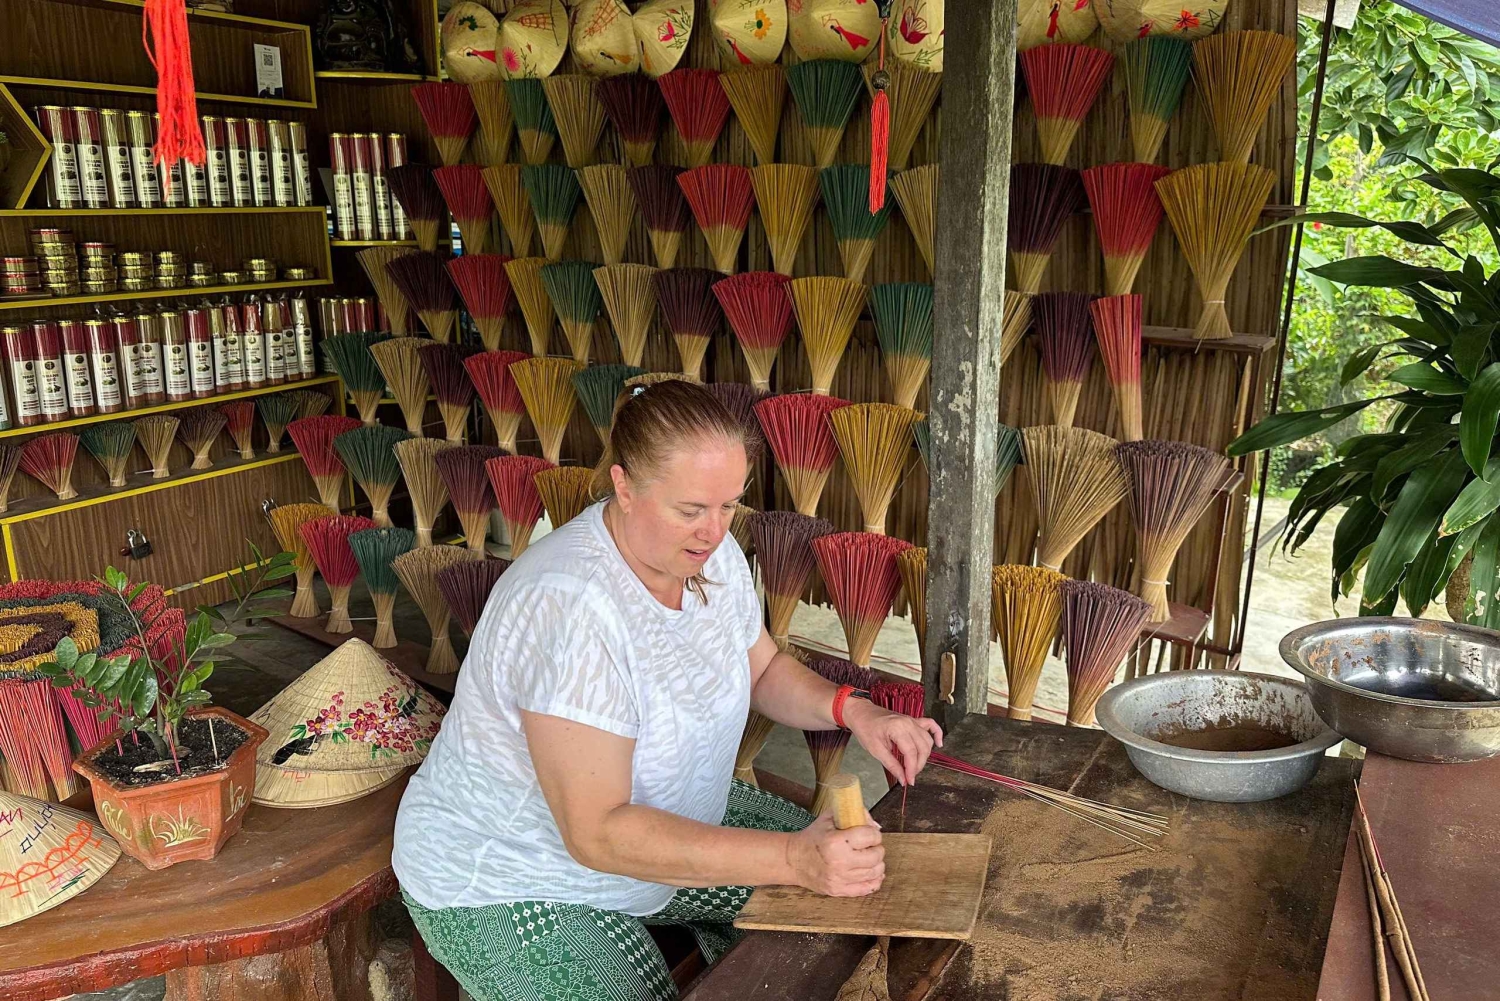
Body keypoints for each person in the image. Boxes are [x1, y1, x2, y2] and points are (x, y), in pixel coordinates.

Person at [394, 379, 942, 1001]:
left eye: (729, 506)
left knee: (857, 890)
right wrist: (793, 857)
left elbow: (761, 669)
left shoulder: (708, 555)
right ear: (624, 486)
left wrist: (856, 711)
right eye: (690, 510)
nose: (713, 530)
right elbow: (598, 833)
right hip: (516, 873)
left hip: (666, 816)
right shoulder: (570, 607)